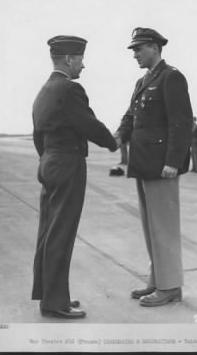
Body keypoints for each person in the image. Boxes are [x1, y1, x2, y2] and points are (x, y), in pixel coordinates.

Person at [32, 35, 117, 319]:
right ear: (69, 59)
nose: (83, 65)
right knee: (61, 233)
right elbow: (88, 124)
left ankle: (51, 295)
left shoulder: (44, 89)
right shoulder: (70, 89)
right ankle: (55, 303)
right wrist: (113, 142)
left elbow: (38, 134)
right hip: (67, 164)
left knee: (48, 231)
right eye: (80, 59)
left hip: (49, 161)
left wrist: (48, 159)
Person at [115, 27, 193, 307]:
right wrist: (117, 137)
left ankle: (170, 287)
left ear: (154, 47)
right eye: (134, 50)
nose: (134, 54)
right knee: (151, 226)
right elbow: (131, 114)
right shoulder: (143, 81)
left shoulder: (171, 77)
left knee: (164, 227)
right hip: (144, 162)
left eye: (138, 49)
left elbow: (182, 122)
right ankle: (157, 279)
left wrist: (173, 162)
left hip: (162, 165)